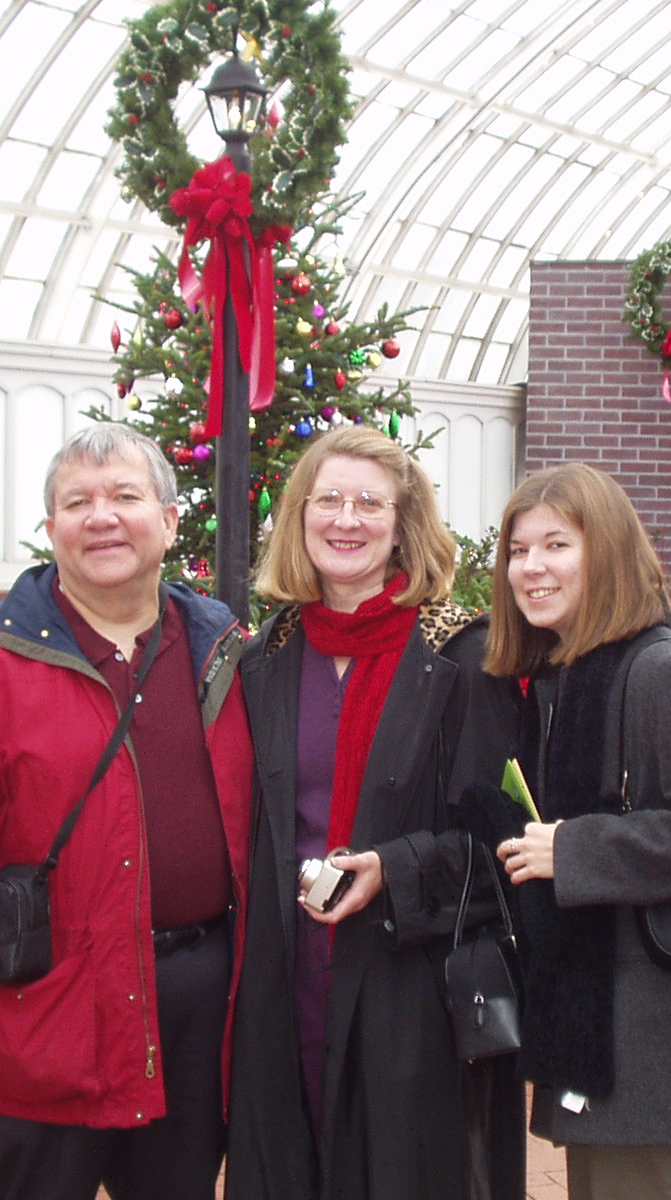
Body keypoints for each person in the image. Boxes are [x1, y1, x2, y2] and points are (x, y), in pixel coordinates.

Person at [0, 423, 253, 1200]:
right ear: (52, 529)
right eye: (77, 503)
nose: (102, 517)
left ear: (169, 521)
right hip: (52, 1006)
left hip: (195, 1006)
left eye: (124, 496)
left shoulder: (222, 650)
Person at [224, 425, 524, 1200]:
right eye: (328, 500)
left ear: (402, 525)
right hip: (286, 985)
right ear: (300, 516)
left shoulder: (462, 660)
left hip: (409, 992)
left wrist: (395, 868)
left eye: (369, 503)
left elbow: (506, 844)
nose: (346, 520)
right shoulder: (265, 660)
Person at [481, 463, 671, 1200]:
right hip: (612, 1043)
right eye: (518, 550)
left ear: (606, 552)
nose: (531, 567)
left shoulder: (663, 675)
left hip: (667, 1051)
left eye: (556, 545)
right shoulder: (564, 679)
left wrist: (573, 848)